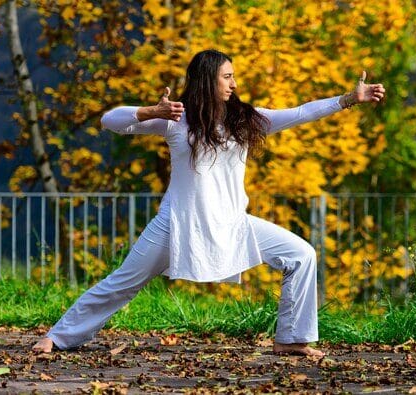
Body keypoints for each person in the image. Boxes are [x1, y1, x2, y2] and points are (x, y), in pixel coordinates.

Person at [32, 49, 385, 357]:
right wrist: (149, 110)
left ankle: (292, 340)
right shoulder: (176, 120)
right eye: (227, 76)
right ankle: (59, 336)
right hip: (177, 225)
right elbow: (110, 120)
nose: (233, 84)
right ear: (206, 80)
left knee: (301, 255)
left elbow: (298, 113)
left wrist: (347, 99)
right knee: (123, 282)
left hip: (233, 223)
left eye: (233, 76)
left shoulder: (245, 119)